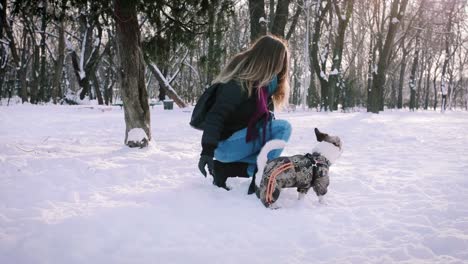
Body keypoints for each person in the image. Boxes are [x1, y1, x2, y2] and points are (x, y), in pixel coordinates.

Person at [197, 34, 292, 193]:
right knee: (283, 128)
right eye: (280, 61)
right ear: (269, 59)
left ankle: (224, 170)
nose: (281, 67)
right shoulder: (238, 83)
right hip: (225, 145)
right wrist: (206, 151)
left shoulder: (264, 88)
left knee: (277, 164)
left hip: (237, 146)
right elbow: (216, 115)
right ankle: (261, 177)